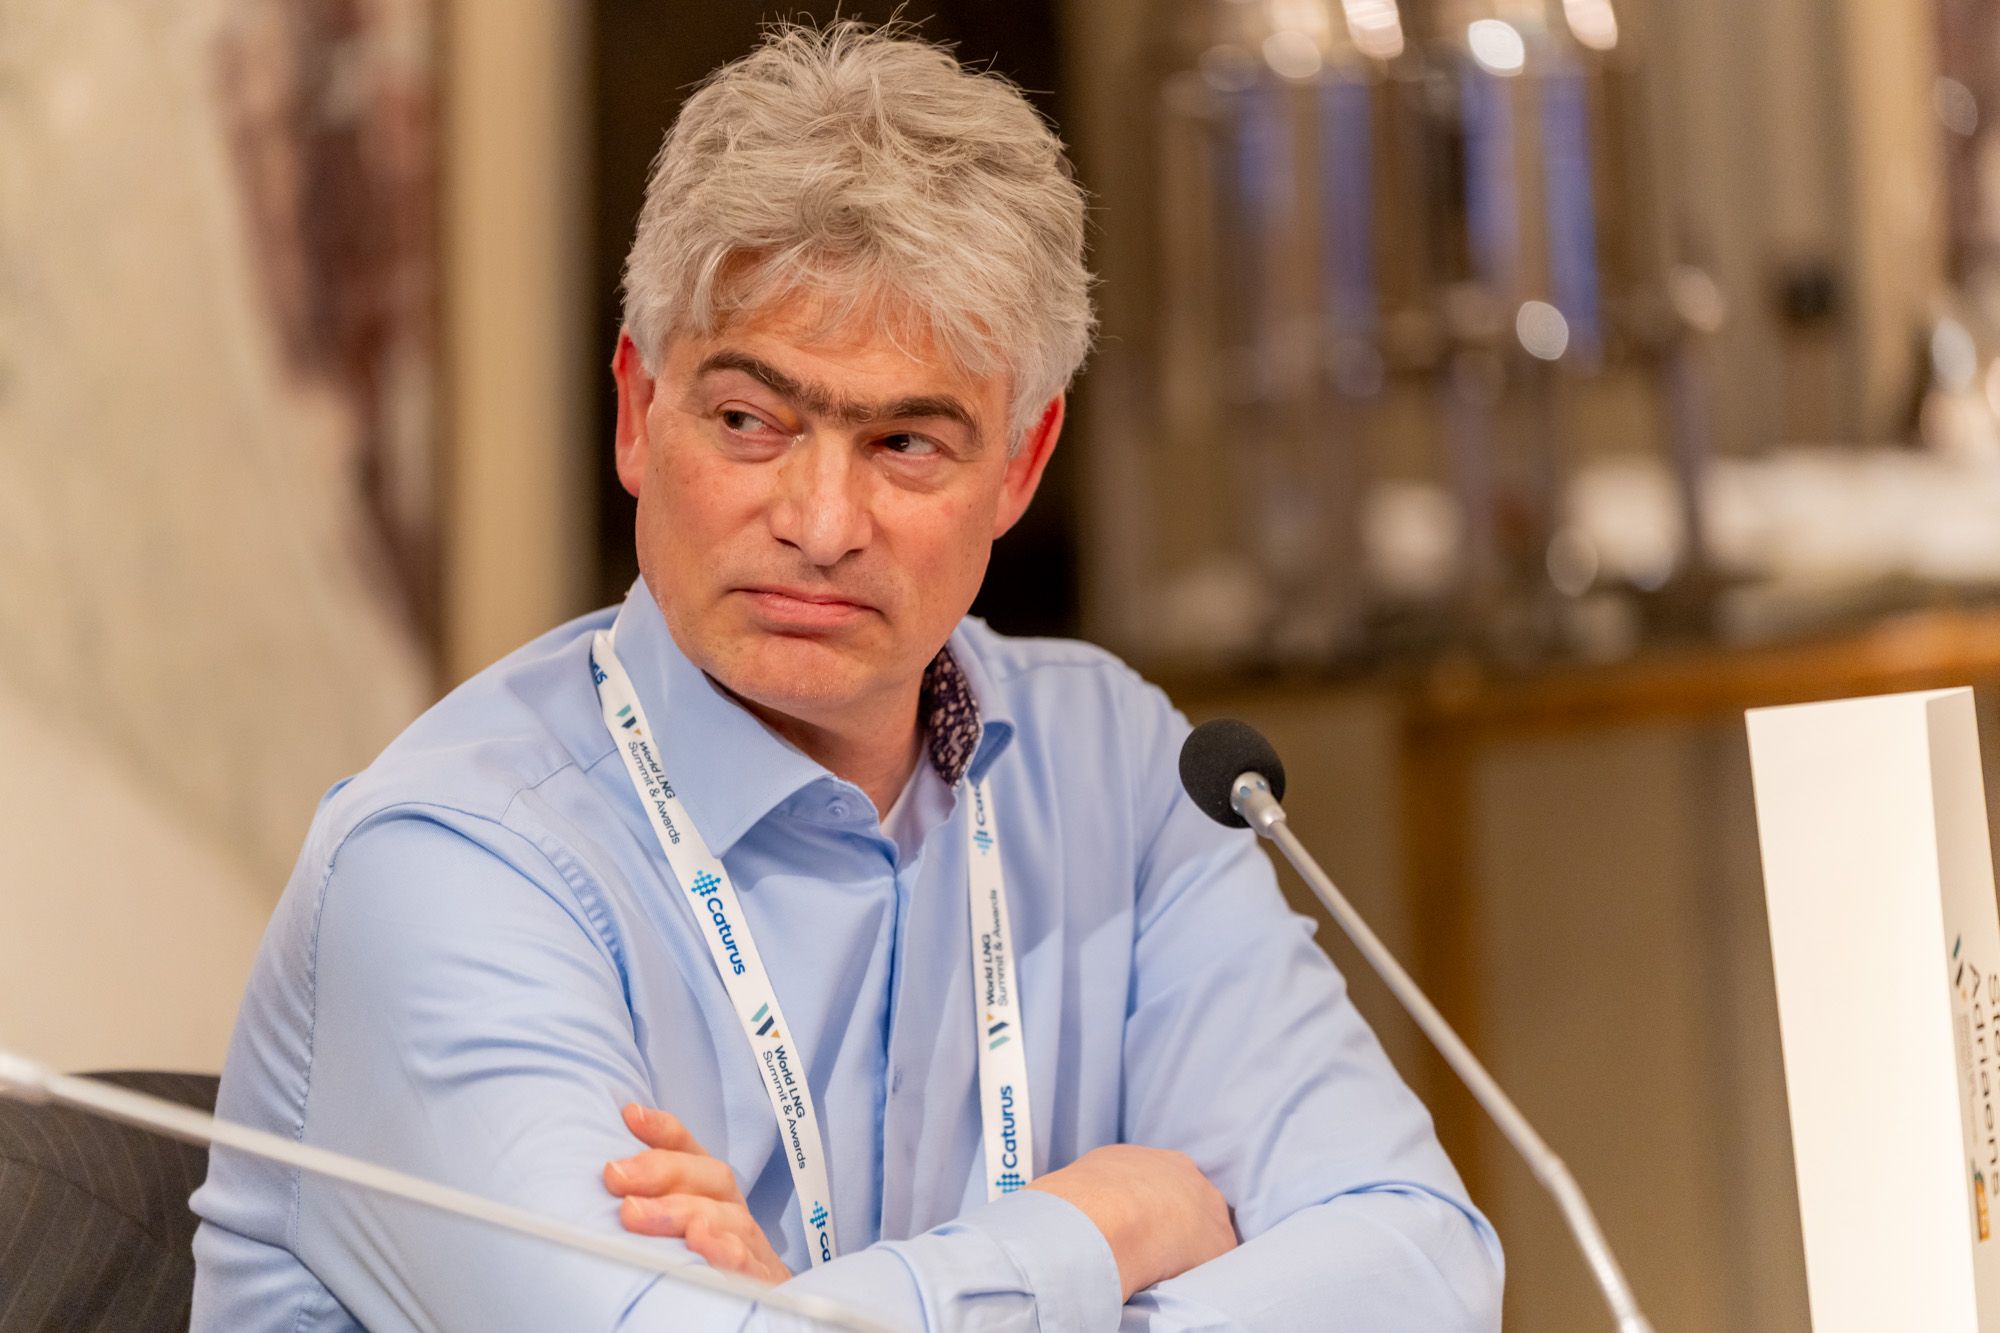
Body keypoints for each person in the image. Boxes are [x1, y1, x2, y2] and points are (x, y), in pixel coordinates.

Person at [190, 21, 1502, 1331]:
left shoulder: (1117, 769)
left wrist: (824, 1314)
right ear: (636, 413)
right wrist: (1103, 1226)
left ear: (1022, 464)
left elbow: (1424, 1262)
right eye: (749, 421)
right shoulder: (451, 863)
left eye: (907, 443)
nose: (821, 525)